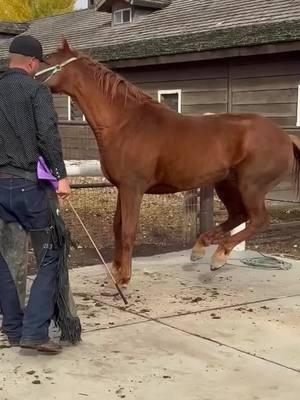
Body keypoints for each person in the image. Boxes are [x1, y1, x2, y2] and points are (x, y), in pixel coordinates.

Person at [0, 35, 74, 354]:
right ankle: (34, 331)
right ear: (32, 64)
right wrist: (61, 177)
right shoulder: (36, 90)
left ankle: (13, 329)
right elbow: (47, 134)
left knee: (3, 259)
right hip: (28, 187)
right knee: (51, 252)